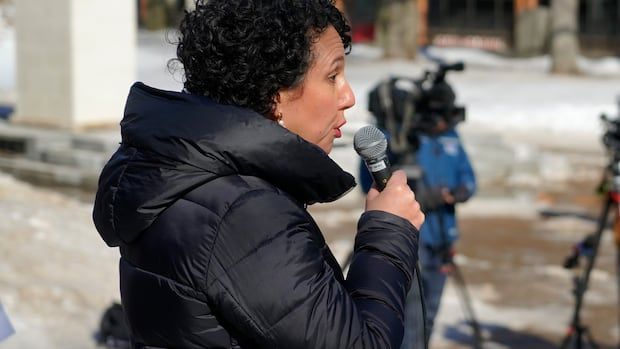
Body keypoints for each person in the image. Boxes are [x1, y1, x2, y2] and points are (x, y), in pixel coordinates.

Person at [93, 1, 424, 348]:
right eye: (332, 76)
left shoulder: (195, 179)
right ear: (275, 95)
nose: (349, 96)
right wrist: (388, 232)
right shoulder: (242, 214)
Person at [360, 118, 476, 347]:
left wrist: (458, 192)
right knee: (409, 318)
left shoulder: (451, 137)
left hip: (443, 237)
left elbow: (470, 179)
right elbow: (369, 185)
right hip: (410, 238)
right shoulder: (399, 137)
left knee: (428, 314)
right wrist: (420, 197)